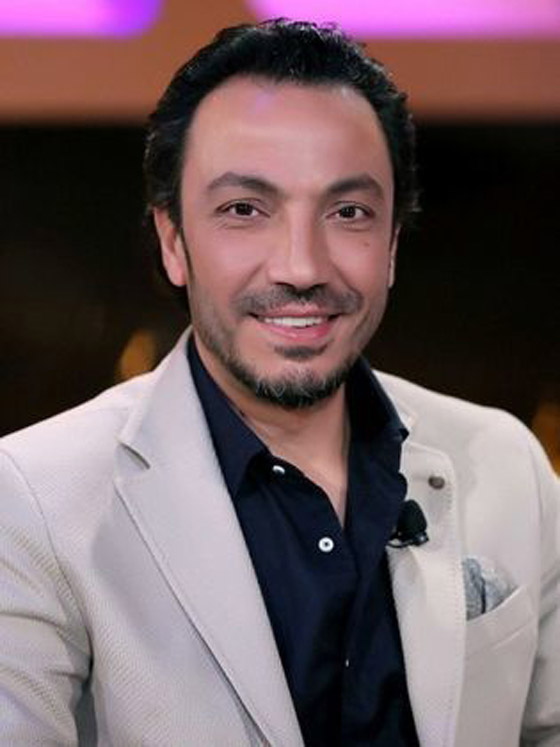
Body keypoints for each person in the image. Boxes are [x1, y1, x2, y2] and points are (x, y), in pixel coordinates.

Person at [0, 19, 558, 747]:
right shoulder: (35, 499)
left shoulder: (506, 464)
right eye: (245, 210)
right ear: (173, 241)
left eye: (348, 212)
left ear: (392, 243)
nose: (301, 267)